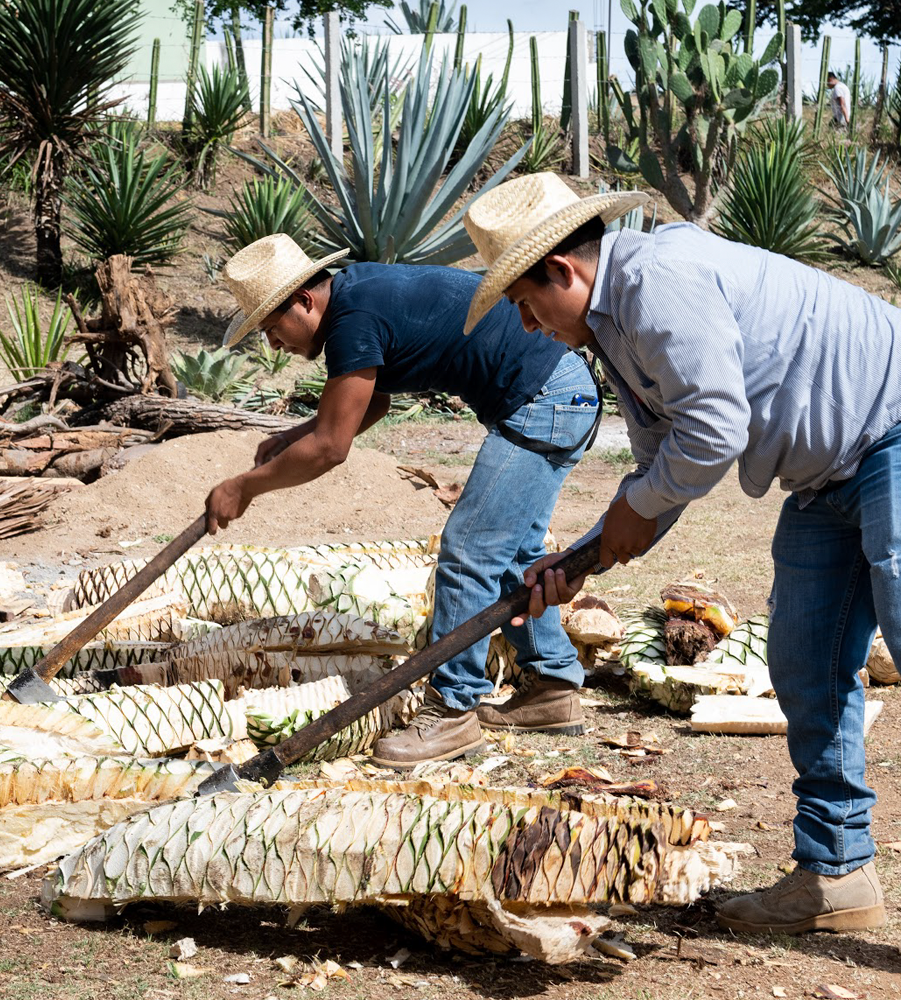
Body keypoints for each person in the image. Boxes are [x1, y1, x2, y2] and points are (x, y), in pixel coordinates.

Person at [462, 172, 901, 996]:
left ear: (562, 272)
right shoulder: (617, 328)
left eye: (521, 299)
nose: (524, 321)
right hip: (830, 473)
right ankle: (835, 873)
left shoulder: (655, 281)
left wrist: (635, 509)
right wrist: (578, 558)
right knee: (802, 660)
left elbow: (714, 430)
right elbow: (661, 471)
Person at [205, 229, 638, 766]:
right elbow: (372, 407)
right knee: (512, 550)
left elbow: (331, 449)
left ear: (304, 301)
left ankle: (452, 712)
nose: (274, 345)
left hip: (545, 394)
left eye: (272, 329)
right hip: (552, 390)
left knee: (470, 551)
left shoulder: (352, 320)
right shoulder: (358, 297)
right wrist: (295, 435)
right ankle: (552, 685)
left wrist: (243, 487)